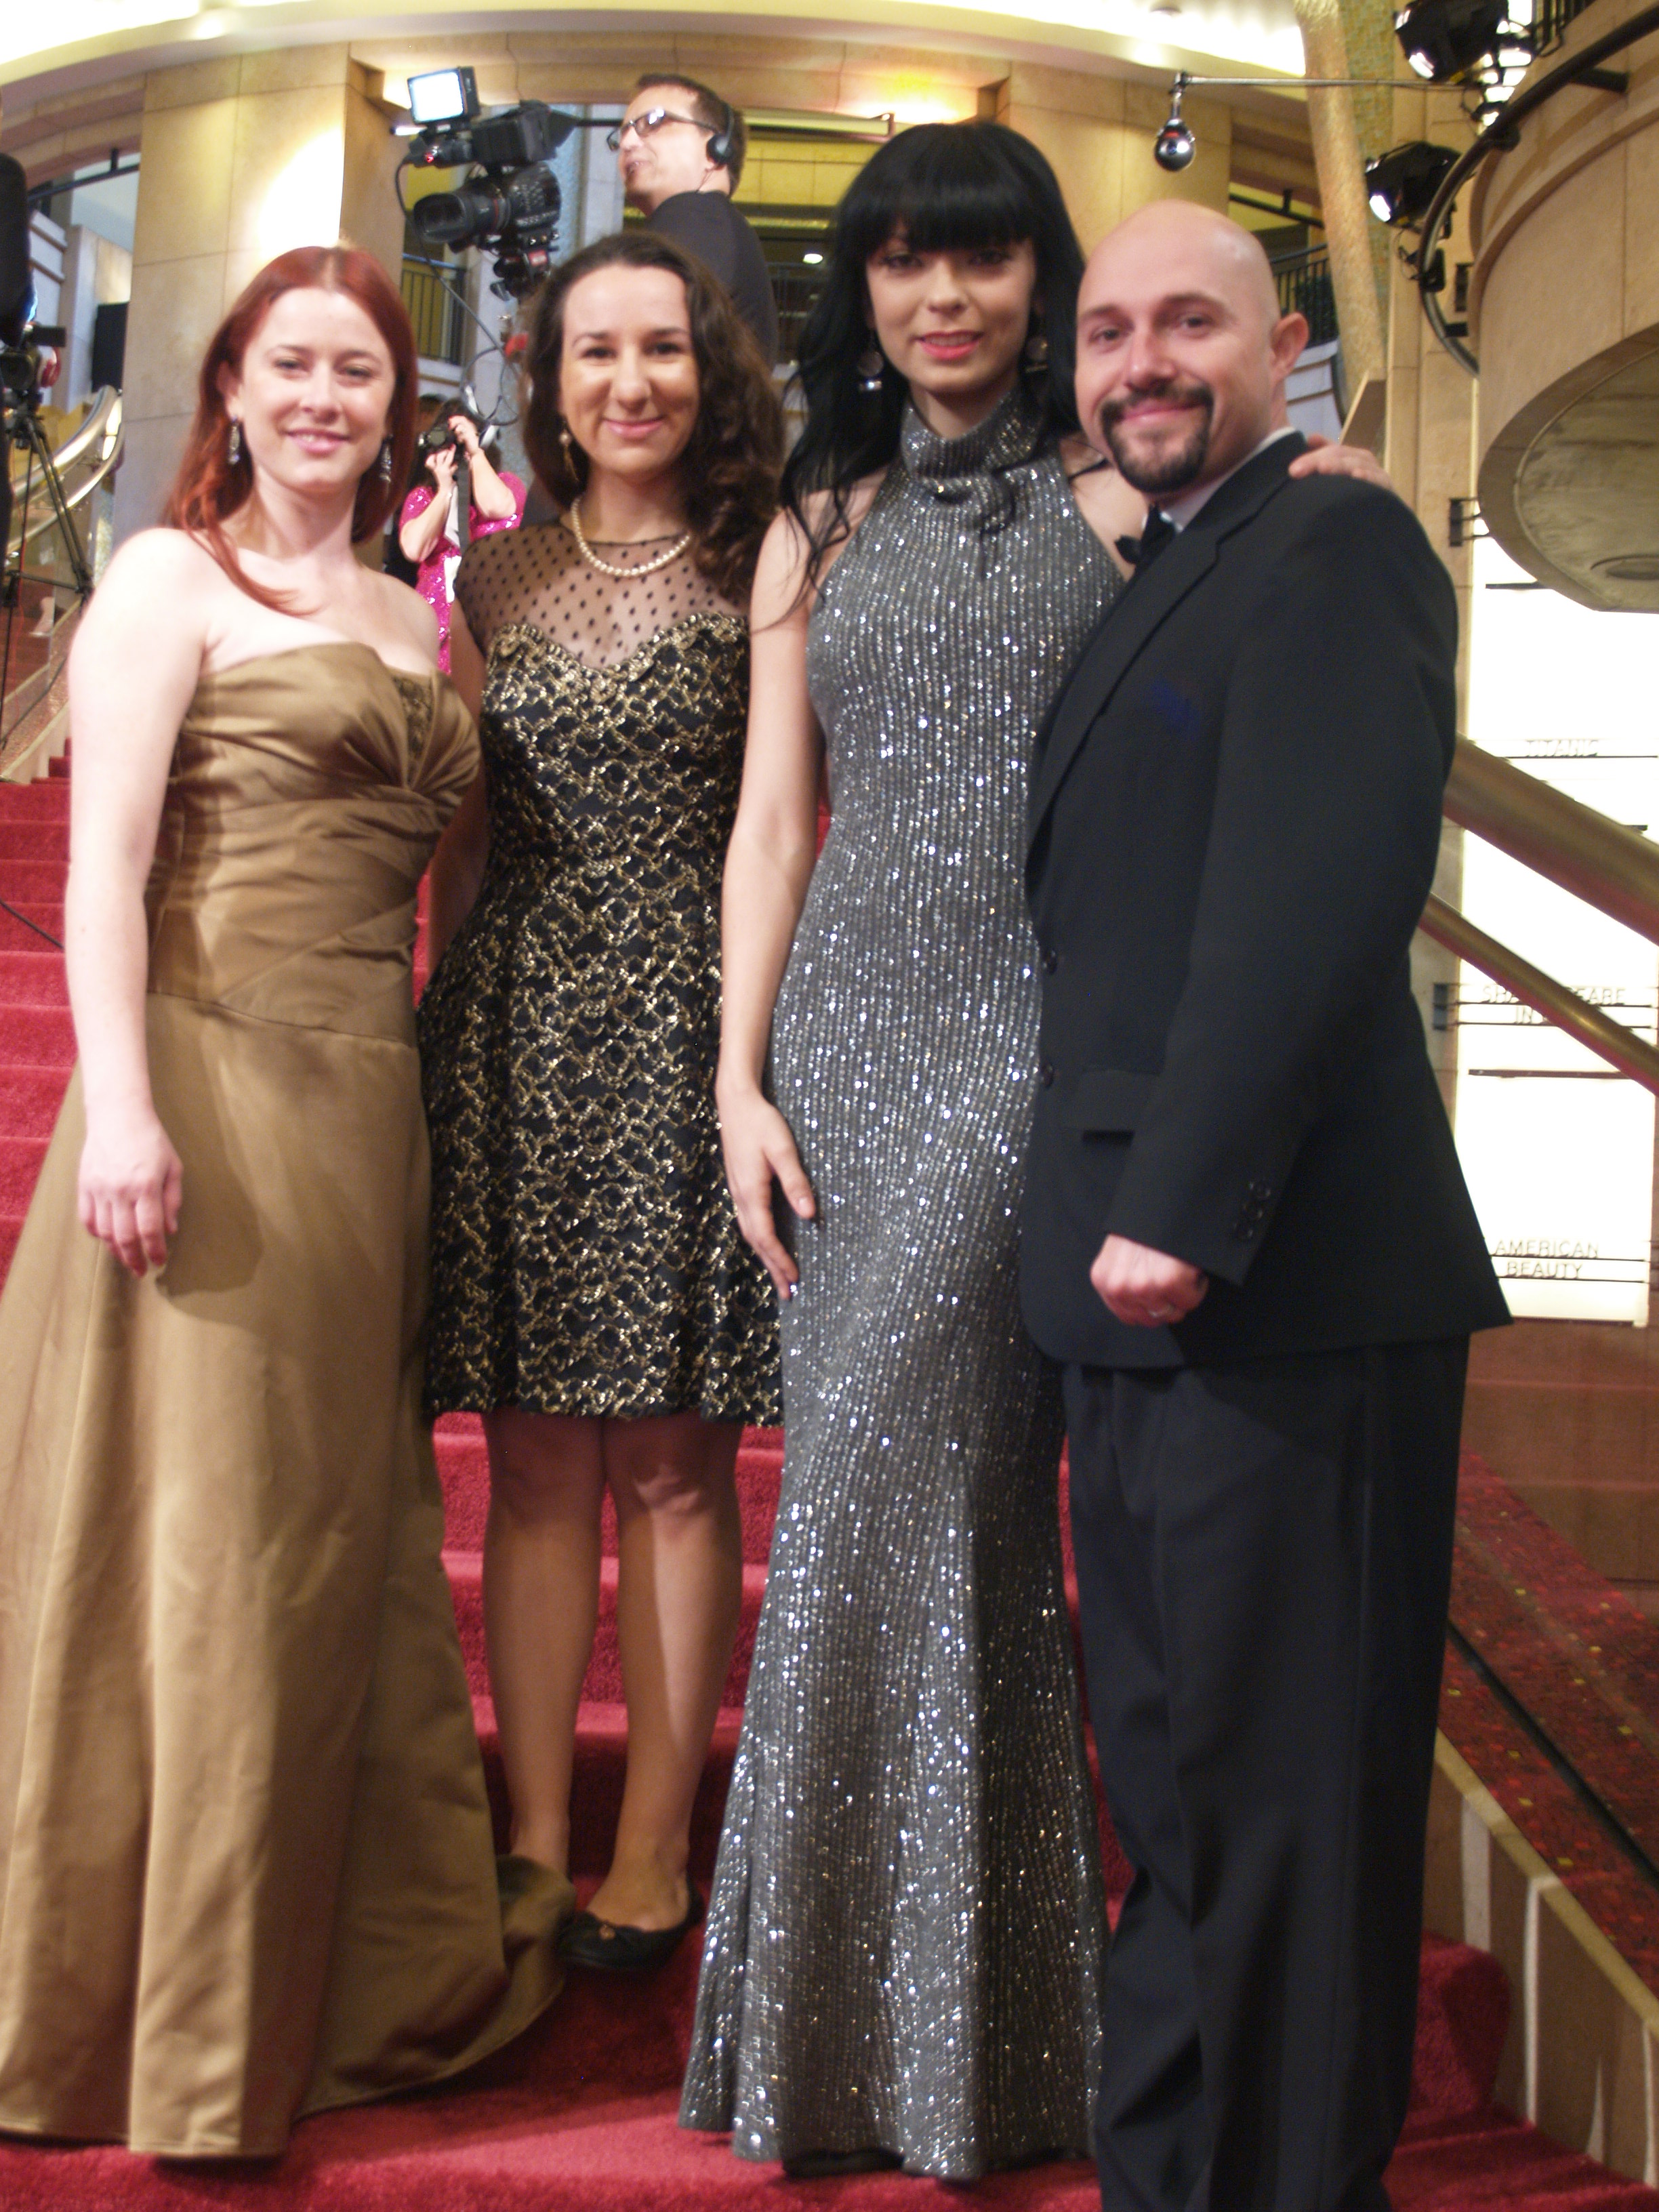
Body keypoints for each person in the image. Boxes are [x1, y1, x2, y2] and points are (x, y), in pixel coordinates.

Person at [682, 123, 1396, 2183]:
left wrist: (1320, 469)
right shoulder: (818, 512)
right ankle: (895, 2036)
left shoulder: (1130, 497)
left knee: (952, 1502)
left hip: (1037, 1048)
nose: (945, 301)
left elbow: (1265, 610)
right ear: (868, 292)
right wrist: (740, 1081)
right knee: (874, 1497)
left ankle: (952, 2040)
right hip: (844, 1042)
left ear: (1038, 288)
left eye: (985, 264)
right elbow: (766, 826)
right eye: (907, 263)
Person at [0, 245, 570, 2159]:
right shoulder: (169, 579)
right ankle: (171, 2027)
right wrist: (133, 1112)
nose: (326, 397)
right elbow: (103, 874)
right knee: (207, 1548)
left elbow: (475, 877)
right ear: (231, 386)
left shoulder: (427, 625)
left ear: (394, 405)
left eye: (360, 370)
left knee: (331, 1541)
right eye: (292, 364)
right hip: (210, 1085)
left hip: (370, 1121)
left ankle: (334, 1971)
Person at [1021, 198, 1511, 2212]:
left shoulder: (1335, 538)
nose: (1145, 359)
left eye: (1191, 323)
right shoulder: (1178, 563)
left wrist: (1194, 1198)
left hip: (1269, 1274)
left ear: (1283, 340)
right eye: (1113, 327)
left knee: (1290, 1824)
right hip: (1139, 1288)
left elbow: (1319, 888)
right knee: (1184, 1798)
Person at [417, 229, 783, 1975]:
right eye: (591, 354)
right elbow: (468, 836)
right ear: (546, 383)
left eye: (660, 349)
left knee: (676, 1464)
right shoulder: (490, 584)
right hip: (511, 1027)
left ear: (705, 371)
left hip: (693, 1035)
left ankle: (654, 1845)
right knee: (534, 1462)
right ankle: (534, 1836)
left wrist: (760, 1062)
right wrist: (433, 1043)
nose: (628, 381)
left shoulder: (766, 559)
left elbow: (792, 827)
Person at [614, 73, 779, 368]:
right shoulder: (713, 222)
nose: (627, 142)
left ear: (717, 150)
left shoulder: (696, 215)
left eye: (654, 122)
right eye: (622, 132)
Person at [398, 405, 525, 668]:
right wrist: (445, 489)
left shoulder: (507, 483)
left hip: (493, 626)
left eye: (462, 434)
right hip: (434, 633)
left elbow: (497, 508)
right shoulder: (423, 497)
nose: (456, 444)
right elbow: (414, 548)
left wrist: (475, 453)